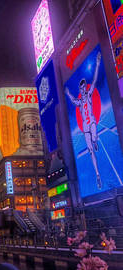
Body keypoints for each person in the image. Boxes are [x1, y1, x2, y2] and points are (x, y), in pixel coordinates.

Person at [65, 51, 102, 189]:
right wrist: (68, 94)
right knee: (91, 150)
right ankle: (97, 175)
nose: (83, 88)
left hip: (91, 122)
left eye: (84, 86)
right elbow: (73, 100)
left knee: (94, 135)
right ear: (80, 89)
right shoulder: (80, 101)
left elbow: (95, 81)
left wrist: (97, 64)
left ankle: (95, 139)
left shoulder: (89, 95)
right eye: (81, 87)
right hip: (85, 128)